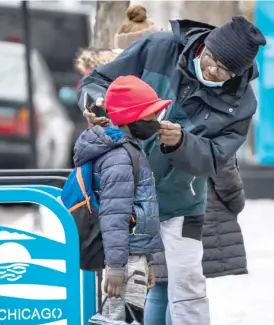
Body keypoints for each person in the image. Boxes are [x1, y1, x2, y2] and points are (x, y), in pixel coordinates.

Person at [77, 16, 266, 325]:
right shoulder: (158, 48)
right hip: (130, 191)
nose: (212, 71)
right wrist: (99, 104)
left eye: (224, 70)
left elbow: (217, 157)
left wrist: (182, 143)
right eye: (211, 59)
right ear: (204, 45)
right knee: (130, 278)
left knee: (188, 280)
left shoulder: (241, 102)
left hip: (185, 202)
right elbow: (96, 81)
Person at [74, 75, 170, 323]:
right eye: (150, 116)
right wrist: (117, 268)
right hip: (124, 259)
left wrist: (145, 261)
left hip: (132, 256)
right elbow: (114, 215)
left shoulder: (127, 148)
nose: (155, 122)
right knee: (120, 318)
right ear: (130, 118)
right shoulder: (119, 157)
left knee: (126, 315)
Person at [145, 156, 247, 325]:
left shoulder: (148, 131)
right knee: (184, 289)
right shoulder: (204, 130)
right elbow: (224, 170)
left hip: (156, 208)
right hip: (193, 210)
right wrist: (236, 201)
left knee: (159, 287)